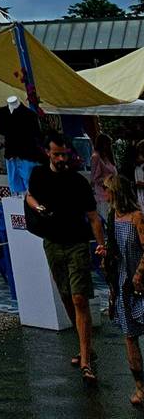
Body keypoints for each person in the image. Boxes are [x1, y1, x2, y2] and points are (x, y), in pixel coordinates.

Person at [28, 132, 107, 386]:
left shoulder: (77, 181)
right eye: (57, 154)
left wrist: (102, 246)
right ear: (48, 153)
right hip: (53, 243)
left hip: (77, 243)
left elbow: (93, 217)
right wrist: (37, 207)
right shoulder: (39, 175)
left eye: (64, 154)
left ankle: (86, 361)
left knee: (79, 297)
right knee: (66, 295)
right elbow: (29, 195)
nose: (62, 159)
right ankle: (85, 347)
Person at [103, 173, 144, 407]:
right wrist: (106, 254)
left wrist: (139, 274)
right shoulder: (113, 218)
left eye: (107, 190)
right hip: (123, 283)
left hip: (138, 282)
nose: (105, 194)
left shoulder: (137, 217)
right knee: (130, 336)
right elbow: (114, 250)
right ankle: (140, 387)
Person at [91, 133, 117, 219]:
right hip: (103, 194)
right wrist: (108, 181)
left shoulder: (107, 156)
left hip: (113, 192)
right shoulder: (96, 157)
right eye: (107, 144)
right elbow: (94, 178)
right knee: (106, 217)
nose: (109, 146)